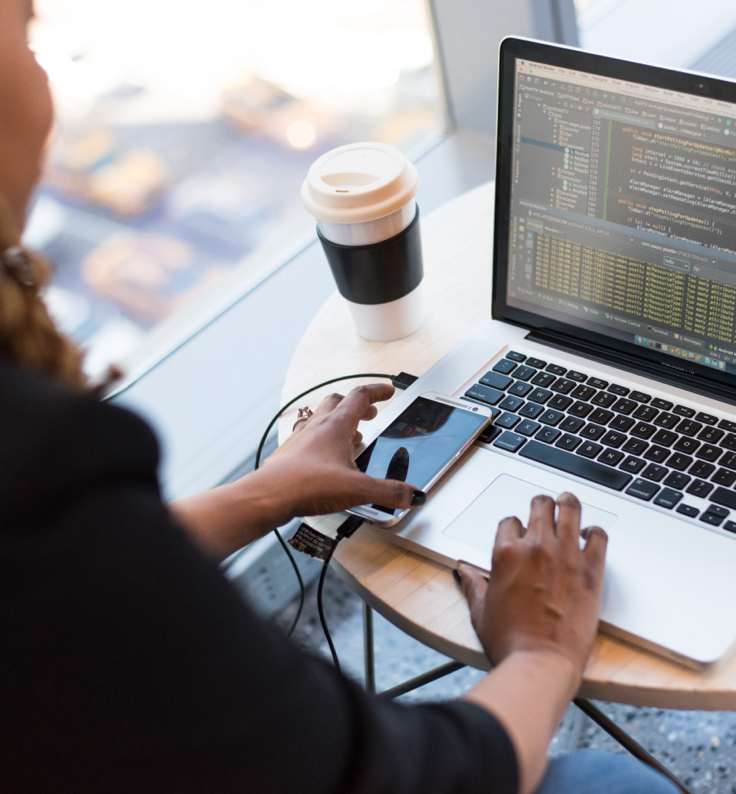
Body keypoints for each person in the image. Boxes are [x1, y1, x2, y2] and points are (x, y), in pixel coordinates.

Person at [0, 2, 681, 792]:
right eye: (23, 31)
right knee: (608, 783)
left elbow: (62, 582)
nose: (42, 70)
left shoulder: (39, 501)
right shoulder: (39, 462)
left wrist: (261, 494)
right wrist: (542, 653)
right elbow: (400, 777)